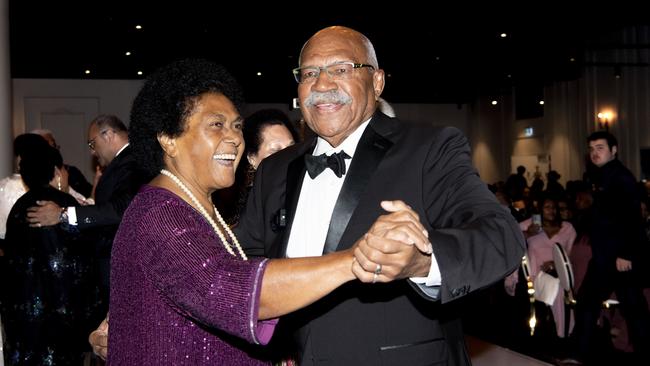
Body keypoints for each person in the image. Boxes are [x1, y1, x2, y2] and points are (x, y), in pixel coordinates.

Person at [235, 26, 526, 365]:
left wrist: (424, 261)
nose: (322, 85)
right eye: (310, 73)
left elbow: (500, 234)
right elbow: (246, 267)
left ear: (377, 82)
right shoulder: (276, 169)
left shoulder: (430, 149)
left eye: (341, 69)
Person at [107, 58, 428, 365]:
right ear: (168, 140)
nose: (234, 137)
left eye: (236, 126)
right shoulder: (159, 214)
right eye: (216, 125)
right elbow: (229, 289)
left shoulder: (196, 210)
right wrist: (355, 258)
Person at [25, 115, 148, 308]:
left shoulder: (132, 161)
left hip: (124, 266)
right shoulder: (126, 161)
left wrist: (64, 214)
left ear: (108, 135)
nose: (92, 152)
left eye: (92, 143)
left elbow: (124, 208)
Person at [1, 143, 100, 365]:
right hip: (61, 319)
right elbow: (83, 265)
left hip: (23, 317)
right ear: (56, 171)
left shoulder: (18, 208)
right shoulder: (65, 206)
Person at [571, 130, 650, 363]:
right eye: (592, 149)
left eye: (600, 148)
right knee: (589, 303)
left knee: (634, 310)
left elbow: (633, 218)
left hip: (620, 258)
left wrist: (626, 254)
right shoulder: (601, 176)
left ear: (614, 150)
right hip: (605, 257)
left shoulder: (621, 177)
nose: (594, 153)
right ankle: (578, 355)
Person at [214, 108, 298, 224]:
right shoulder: (244, 210)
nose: (287, 157)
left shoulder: (302, 194)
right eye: (275, 151)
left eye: (291, 148)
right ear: (252, 158)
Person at [31, 128, 94, 198]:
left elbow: (89, 198)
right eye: (47, 147)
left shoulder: (71, 172)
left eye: (54, 145)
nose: (53, 150)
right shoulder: (29, 178)